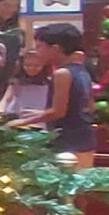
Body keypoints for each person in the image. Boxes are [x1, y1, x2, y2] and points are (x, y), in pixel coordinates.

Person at [9, 22, 96, 166]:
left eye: (39, 47)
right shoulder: (81, 70)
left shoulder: (62, 73)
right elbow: (88, 105)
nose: (37, 52)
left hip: (68, 140)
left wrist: (22, 121)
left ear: (55, 49)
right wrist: (39, 113)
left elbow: (58, 112)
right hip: (84, 137)